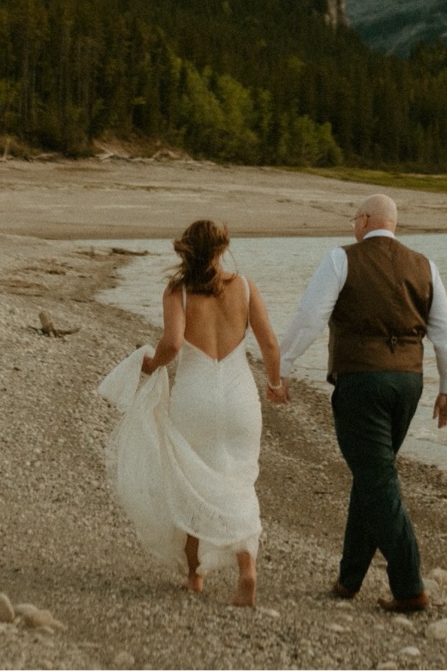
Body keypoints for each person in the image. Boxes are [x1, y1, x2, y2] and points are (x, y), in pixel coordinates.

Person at [275, 193, 447, 614]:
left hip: (361, 381)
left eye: (353, 218)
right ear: (392, 224)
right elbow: (446, 334)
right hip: (409, 384)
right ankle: (349, 578)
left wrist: (282, 365)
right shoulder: (424, 265)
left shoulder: (342, 259)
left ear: (364, 220)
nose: (352, 226)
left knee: (377, 479)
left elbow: (310, 317)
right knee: (371, 474)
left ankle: (410, 586)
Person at [97, 220, 285, 607]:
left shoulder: (178, 291)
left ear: (186, 250)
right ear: (223, 248)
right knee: (239, 478)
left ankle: (195, 575)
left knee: (192, 481)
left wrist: (149, 366)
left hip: (195, 397)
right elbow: (268, 342)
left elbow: (172, 343)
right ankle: (246, 568)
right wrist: (275, 382)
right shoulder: (246, 288)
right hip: (238, 398)